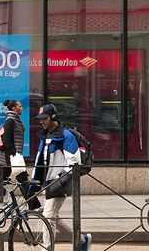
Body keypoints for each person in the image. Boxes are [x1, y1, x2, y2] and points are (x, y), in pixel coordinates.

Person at [31, 104, 91, 251]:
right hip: (48, 182)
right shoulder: (45, 135)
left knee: (47, 216)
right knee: (53, 216)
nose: (41, 122)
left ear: (52, 117)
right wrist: (33, 182)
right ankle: (81, 240)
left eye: (44, 118)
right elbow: (40, 159)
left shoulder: (66, 136)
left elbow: (74, 162)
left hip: (59, 183)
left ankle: (47, 248)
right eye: (40, 119)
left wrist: (60, 179)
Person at [0, 99, 39, 211]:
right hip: (10, 157)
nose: (22, 108)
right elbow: (6, 138)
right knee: (22, 179)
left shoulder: (14, 120)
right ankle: (34, 205)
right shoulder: (11, 120)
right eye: (19, 106)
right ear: (14, 108)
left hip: (8, 156)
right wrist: (14, 154)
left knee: (0, 180)